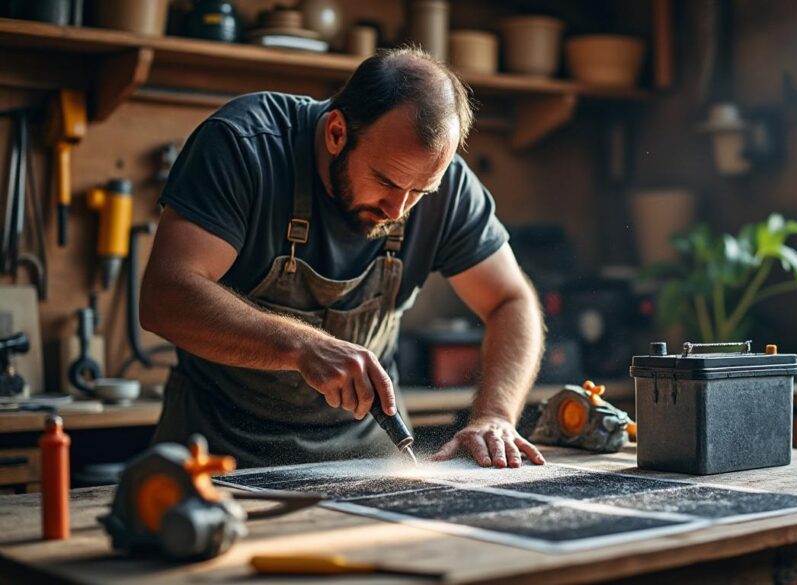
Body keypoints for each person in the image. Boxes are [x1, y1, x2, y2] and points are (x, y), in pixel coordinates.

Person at [140, 47, 546, 470]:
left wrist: (496, 415)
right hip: (215, 454)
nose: (398, 210)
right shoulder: (245, 146)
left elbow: (511, 300)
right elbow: (165, 295)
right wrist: (300, 345)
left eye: (420, 192)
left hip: (367, 457)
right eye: (386, 181)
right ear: (336, 133)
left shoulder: (448, 190)